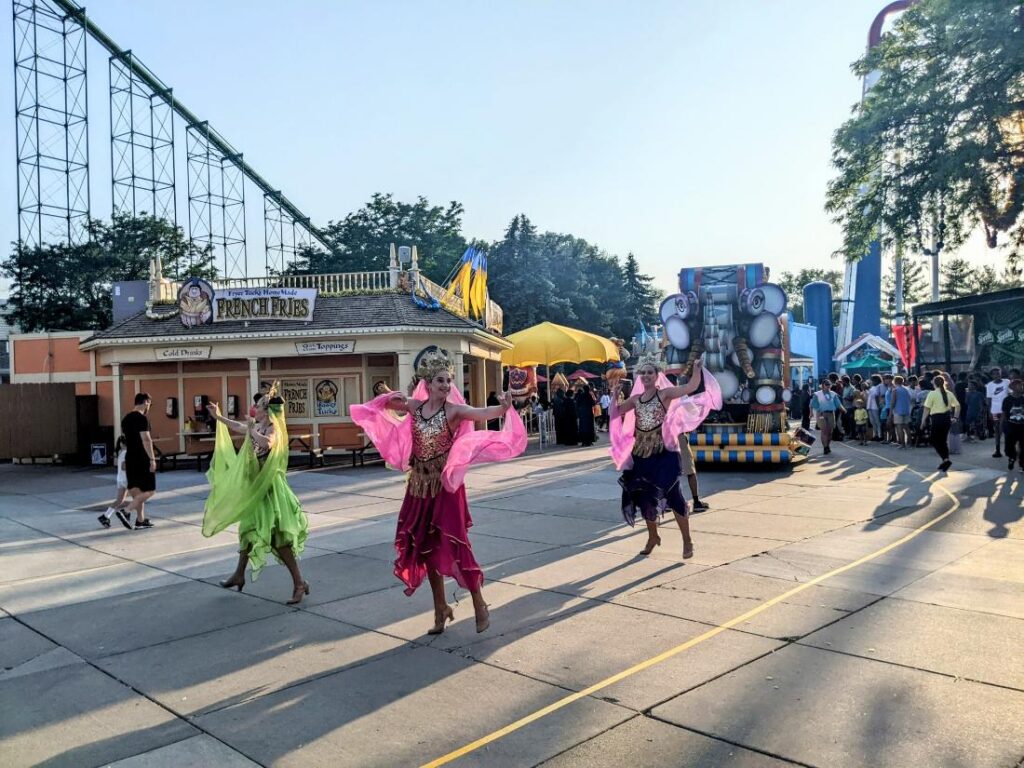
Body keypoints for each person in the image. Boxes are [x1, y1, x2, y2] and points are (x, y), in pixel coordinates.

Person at [350, 349, 526, 635]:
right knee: (424, 548)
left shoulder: (454, 411)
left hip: (444, 488)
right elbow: (385, 404)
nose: (446, 385)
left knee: (457, 545)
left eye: (448, 381)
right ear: (428, 383)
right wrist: (388, 396)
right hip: (419, 487)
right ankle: (440, 609)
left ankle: (479, 603)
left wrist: (502, 409)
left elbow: (482, 413)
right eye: (440, 381)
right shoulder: (415, 407)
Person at [203, 387, 311, 604]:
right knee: (247, 531)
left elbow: (266, 443)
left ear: (267, 411)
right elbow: (237, 426)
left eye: (259, 406)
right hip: (256, 487)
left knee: (278, 539)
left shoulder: (273, 428)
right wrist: (218, 416)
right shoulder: (259, 425)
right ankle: (239, 574)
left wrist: (252, 430)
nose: (254, 408)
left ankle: (299, 582)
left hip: (270, 490)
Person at [609, 355, 720, 559]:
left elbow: (690, 388)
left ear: (657, 375)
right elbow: (617, 412)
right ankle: (653, 537)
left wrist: (696, 370)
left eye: (650, 372)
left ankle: (687, 540)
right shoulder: (635, 400)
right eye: (643, 373)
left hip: (664, 454)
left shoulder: (665, 394)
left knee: (674, 495)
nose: (646, 376)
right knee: (645, 498)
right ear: (639, 377)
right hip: (642, 454)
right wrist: (615, 396)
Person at [121, 392, 156, 529]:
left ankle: (140, 520)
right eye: (149, 404)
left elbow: (125, 440)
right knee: (150, 490)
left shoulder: (126, 419)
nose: (149, 407)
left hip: (130, 457)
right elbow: (146, 439)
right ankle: (126, 511)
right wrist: (152, 459)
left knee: (137, 492)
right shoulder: (142, 418)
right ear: (146, 402)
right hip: (142, 458)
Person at [921, 372, 960, 472]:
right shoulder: (949, 393)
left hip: (937, 418)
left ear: (934, 384)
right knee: (942, 440)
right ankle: (945, 460)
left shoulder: (932, 394)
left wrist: (923, 421)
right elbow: (957, 406)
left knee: (934, 440)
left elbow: (926, 409)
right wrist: (955, 417)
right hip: (947, 418)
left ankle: (945, 459)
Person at [98, 435, 131, 529]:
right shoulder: (126, 453)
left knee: (120, 500)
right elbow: (124, 467)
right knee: (138, 498)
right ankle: (127, 513)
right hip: (126, 479)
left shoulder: (121, 452)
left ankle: (105, 516)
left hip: (120, 479)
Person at [810, 380, 845, 455]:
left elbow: (838, 404)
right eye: (826, 384)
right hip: (821, 414)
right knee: (824, 431)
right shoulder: (817, 394)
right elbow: (812, 404)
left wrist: (844, 410)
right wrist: (811, 413)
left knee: (830, 432)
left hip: (831, 413)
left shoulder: (833, 394)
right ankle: (825, 447)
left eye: (829, 384)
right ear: (823, 385)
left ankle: (828, 446)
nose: (828, 386)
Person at [986, 367, 1009, 458]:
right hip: (995, 411)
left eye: (998, 373)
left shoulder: (1007, 382)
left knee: (1006, 429)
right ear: (992, 375)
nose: (997, 375)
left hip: (1006, 411)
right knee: (997, 430)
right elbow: (989, 399)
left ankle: (1008, 448)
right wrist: (989, 411)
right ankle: (997, 450)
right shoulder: (989, 385)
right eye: (994, 374)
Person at [1001, 379, 1024, 472]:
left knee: (1023, 446)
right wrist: (1002, 425)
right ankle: (1012, 458)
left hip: (1023, 426)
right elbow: (1004, 413)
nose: (1021, 387)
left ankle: (1022, 464)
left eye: (1022, 385)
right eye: (1019, 385)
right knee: (1009, 445)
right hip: (1011, 425)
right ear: (1013, 387)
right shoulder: (1007, 400)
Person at [890, 375, 913, 448]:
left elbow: (893, 402)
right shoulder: (906, 389)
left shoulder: (895, 390)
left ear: (895, 381)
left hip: (898, 410)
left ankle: (902, 444)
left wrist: (890, 412)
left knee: (899, 428)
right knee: (906, 427)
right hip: (906, 410)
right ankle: (910, 442)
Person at [575, 382, 597, 447]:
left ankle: (583, 442)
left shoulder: (580, 395)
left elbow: (577, 404)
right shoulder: (589, 395)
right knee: (589, 427)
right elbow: (593, 403)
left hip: (582, 414)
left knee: (582, 428)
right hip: (589, 414)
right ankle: (589, 441)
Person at [866, 374, 884, 441]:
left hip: (875, 406)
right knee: (872, 421)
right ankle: (875, 434)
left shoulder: (879, 386)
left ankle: (879, 435)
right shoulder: (872, 387)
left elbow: (877, 397)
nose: (871, 381)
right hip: (870, 406)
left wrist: (878, 406)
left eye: (873, 380)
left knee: (877, 421)